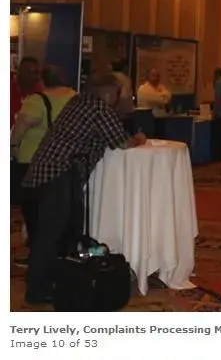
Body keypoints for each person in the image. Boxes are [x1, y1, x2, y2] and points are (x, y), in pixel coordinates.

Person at [21, 73, 146, 304]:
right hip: (59, 174)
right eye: (119, 92)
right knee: (51, 234)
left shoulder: (80, 101)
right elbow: (123, 142)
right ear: (109, 92)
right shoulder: (99, 108)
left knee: (59, 233)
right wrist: (140, 138)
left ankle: (56, 282)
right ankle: (37, 289)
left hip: (46, 172)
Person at [10, 66, 76, 261]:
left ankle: (36, 253)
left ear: (42, 80)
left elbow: (20, 129)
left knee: (33, 212)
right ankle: (55, 253)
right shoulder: (74, 97)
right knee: (56, 213)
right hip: (63, 163)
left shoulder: (37, 101)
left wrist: (13, 145)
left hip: (32, 163)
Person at [11, 56, 43, 129]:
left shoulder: (39, 91)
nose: (34, 76)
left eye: (37, 73)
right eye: (29, 72)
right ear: (19, 72)